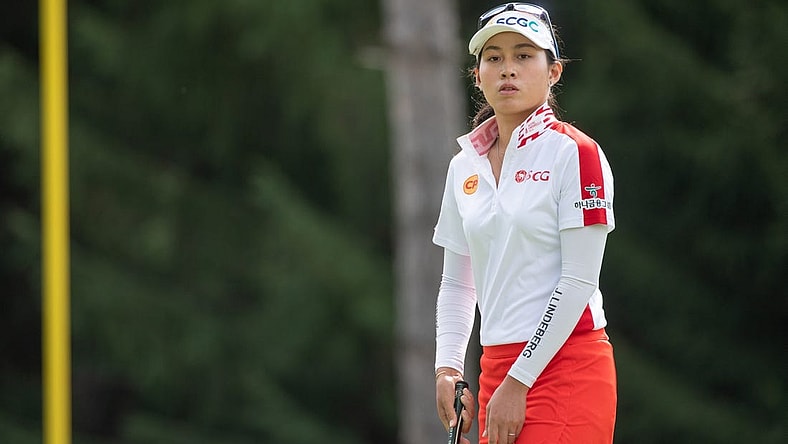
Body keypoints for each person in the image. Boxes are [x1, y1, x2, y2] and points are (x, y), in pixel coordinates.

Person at [432, 3, 617, 444]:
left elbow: (577, 281)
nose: (507, 69)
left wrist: (520, 381)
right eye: (493, 58)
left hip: (567, 365)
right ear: (477, 76)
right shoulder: (464, 166)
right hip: (496, 371)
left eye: (523, 55)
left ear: (553, 72)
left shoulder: (575, 153)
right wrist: (448, 367)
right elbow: (458, 283)